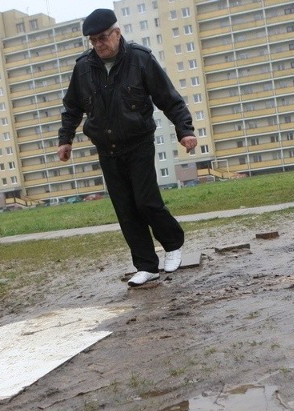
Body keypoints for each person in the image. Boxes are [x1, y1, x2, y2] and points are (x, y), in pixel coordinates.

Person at [57, 8, 198, 287]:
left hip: (138, 143)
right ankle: (146, 265)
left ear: (117, 33)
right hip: (106, 147)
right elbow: (72, 107)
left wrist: (185, 130)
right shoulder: (83, 67)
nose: (99, 44)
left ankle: (172, 245)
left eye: (103, 38)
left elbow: (168, 98)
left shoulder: (140, 59)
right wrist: (65, 139)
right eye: (93, 40)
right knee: (125, 208)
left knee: (146, 201)